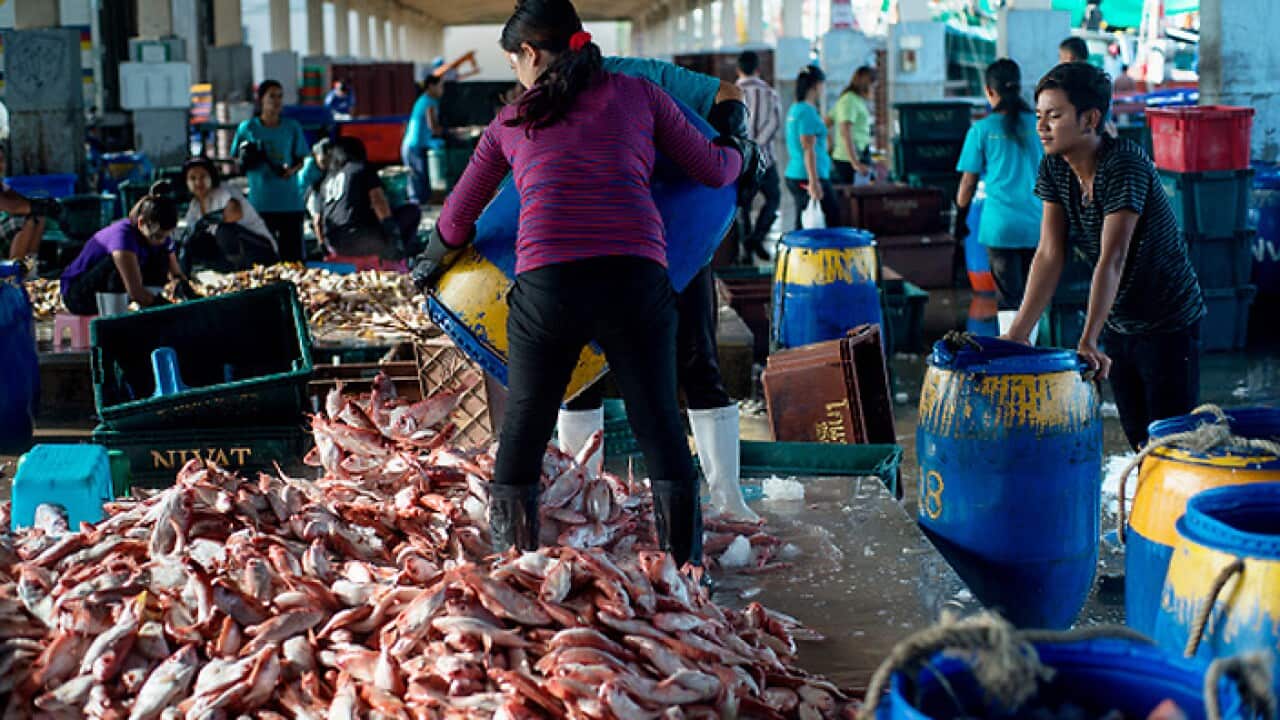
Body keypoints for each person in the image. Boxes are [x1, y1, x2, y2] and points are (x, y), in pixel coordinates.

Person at [410, 0, 752, 563]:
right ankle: (686, 575)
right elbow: (713, 169)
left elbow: (457, 218)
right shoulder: (640, 94)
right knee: (660, 426)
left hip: (549, 289)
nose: (515, 75)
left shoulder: (512, 121)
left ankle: (514, 567)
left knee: (524, 427)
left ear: (529, 54)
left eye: (514, 62)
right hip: (637, 282)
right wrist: (739, 153)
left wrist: (432, 258)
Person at [557, 53, 764, 523]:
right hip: (595, 248)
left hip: (679, 240)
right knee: (580, 373)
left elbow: (727, 95)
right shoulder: (547, 97)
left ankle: (728, 501)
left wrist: (735, 140)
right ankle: (580, 500)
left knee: (698, 363)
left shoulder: (640, 76)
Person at [1003, 62, 1204, 450]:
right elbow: (1048, 253)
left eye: (1055, 116)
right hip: (1119, 318)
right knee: (1137, 439)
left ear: (1090, 119)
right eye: (1040, 116)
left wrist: (1088, 338)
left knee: (1171, 444)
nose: (1042, 126)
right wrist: (1018, 333)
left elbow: (1113, 258)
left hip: (1169, 320)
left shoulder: (1124, 164)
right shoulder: (1055, 168)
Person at [955, 59, 1044, 335]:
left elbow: (968, 183)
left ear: (989, 91)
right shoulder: (1042, 126)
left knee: (1008, 298)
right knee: (1034, 296)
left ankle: (1014, 355)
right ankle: (1033, 352)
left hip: (1000, 227)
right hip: (1038, 223)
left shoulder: (981, 130)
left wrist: (959, 218)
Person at [60, 181, 192, 315]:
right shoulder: (122, 238)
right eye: (157, 236)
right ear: (141, 223)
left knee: (161, 256)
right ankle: (115, 323)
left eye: (165, 236)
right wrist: (167, 310)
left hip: (115, 291)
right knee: (116, 269)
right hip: (78, 295)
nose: (161, 241)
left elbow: (175, 273)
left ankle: (151, 318)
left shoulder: (160, 238)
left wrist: (187, 294)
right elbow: (136, 293)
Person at [232, 80, 309, 263]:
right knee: (262, 259)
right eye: (272, 96)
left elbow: (301, 158)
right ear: (261, 99)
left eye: (280, 96)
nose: (277, 101)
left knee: (293, 260)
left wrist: (290, 171)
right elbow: (236, 159)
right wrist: (247, 158)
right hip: (260, 204)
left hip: (290, 203)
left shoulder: (292, 127)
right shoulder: (248, 128)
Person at [320, 136, 419, 261]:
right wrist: (393, 235)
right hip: (360, 239)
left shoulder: (327, 179)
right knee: (411, 211)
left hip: (334, 243)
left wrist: (323, 246)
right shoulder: (361, 168)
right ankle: (397, 259)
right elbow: (378, 201)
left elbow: (319, 218)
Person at [179, 157, 278, 272]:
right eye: (192, 178)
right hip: (235, 255)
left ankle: (239, 273)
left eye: (203, 177)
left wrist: (206, 220)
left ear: (211, 177)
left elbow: (234, 213)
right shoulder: (194, 206)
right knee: (194, 240)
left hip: (263, 250)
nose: (198, 182)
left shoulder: (223, 191)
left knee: (224, 231)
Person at [735, 50, 782, 263]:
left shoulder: (731, 92)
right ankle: (757, 237)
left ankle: (747, 247)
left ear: (738, 70)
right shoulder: (770, 92)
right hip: (765, 159)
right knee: (773, 199)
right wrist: (757, 145)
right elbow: (774, 124)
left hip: (739, 160)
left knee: (742, 204)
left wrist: (745, 147)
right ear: (758, 69)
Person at [785, 65, 837, 229]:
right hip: (808, 176)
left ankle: (794, 254)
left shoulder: (795, 109)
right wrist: (814, 182)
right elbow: (808, 147)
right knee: (832, 217)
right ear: (816, 85)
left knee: (804, 221)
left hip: (797, 172)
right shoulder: (807, 111)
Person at [0, 146, 61, 261]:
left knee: (38, 217)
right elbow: (12, 207)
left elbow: (17, 198)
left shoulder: (3, 183)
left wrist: (43, 203)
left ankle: (29, 267)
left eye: (2, 160)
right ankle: (13, 272)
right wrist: (38, 206)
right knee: (21, 220)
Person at [401, 74, 446, 206]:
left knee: (421, 181)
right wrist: (450, 132)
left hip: (415, 147)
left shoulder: (426, 100)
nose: (442, 90)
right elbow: (433, 127)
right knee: (417, 183)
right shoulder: (429, 102)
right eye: (440, 86)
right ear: (431, 87)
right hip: (413, 147)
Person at [830, 66, 877, 184]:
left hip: (858, 155)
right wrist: (855, 162)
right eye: (873, 86)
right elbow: (845, 131)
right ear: (866, 84)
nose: (874, 91)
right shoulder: (848, 100)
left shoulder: (855, 100)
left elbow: (827, 122)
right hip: (848, 160)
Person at [298, 138, 333, 250]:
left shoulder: (333, 164)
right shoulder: (308, 169)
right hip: (311, 192)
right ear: (315, 156)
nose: (326, 164)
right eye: (323, 161)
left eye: (329, 160)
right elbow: (300, 191)